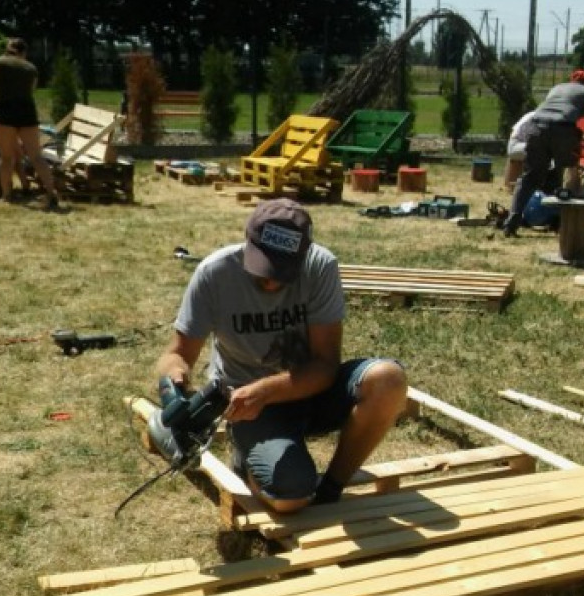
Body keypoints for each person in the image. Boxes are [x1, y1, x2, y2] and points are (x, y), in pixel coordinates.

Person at [152, 199, 409, 513]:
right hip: (249, 409)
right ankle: (250, 458)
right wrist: (174, 382)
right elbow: (176, 353)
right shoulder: (215, 274)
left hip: (311, 391)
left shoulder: (320, 266)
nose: (272, 281)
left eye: (283, 272)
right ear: (248, 242)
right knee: (290, 497)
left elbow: (326, 364)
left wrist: (266, 390)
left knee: (388, 380)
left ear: (303, 256)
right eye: (263, 269)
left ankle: (330, 488)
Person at [503, 69, 584, 237]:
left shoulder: (556, 88)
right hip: (563, 129)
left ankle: (511, 222)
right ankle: (565, 223)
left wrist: (577, 134)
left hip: (535, 128)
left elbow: (550, 115)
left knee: (530, 177)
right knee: (569, 174)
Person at [0, 37, 59, 210]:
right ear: (24, 52)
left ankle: (7, 195)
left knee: (6, 157)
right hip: (27, 112)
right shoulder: (31, 68)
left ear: (7, 50)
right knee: (36, 156)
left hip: (6, 111)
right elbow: (31, 91)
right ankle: (51, 193)